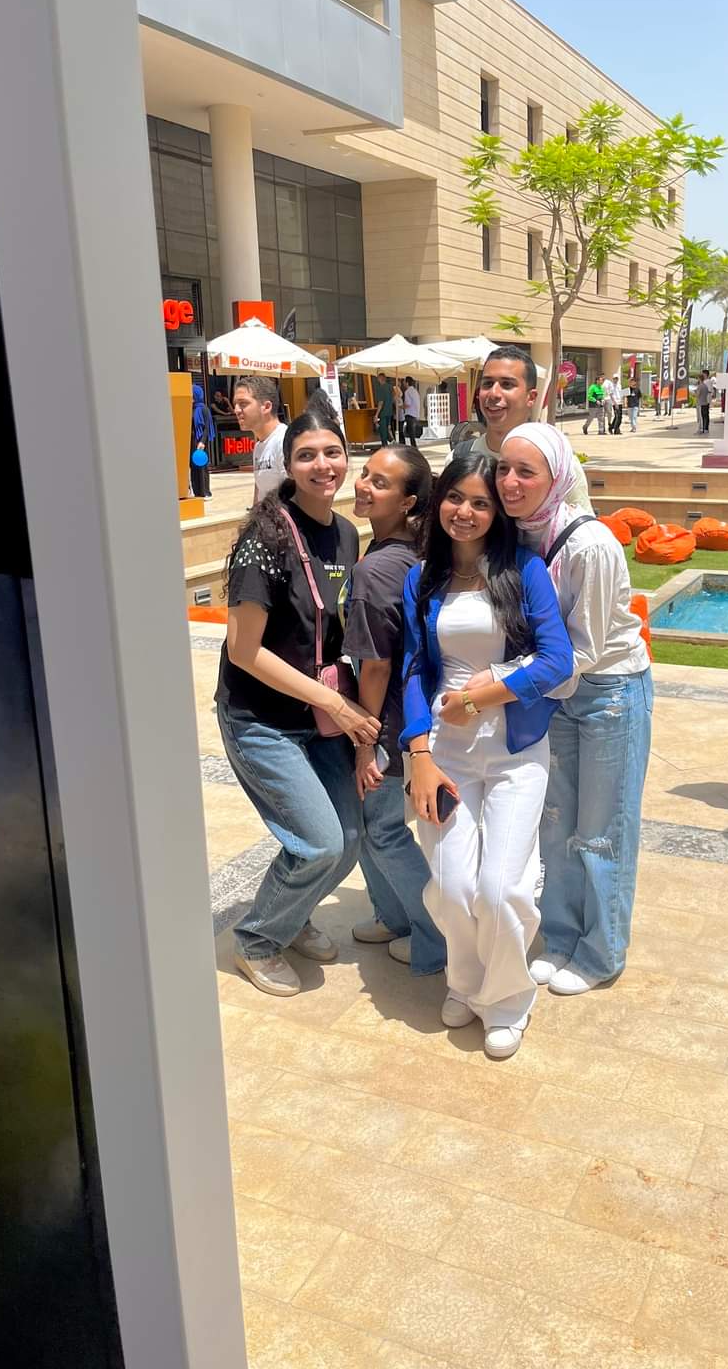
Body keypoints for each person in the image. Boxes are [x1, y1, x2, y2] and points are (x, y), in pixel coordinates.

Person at [402, 456, 573, 1058]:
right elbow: (414, 669)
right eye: (456, 498)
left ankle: (506, 1000)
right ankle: (467, 982)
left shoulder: (524, 570)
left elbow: (557, 661)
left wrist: (480, 697)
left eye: (481, 502)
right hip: (444, 754)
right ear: (439, 501)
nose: (466, 512)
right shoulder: (422, 578)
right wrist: (419, 754)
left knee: (500, 890)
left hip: (514, 754)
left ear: (498, 512)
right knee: (452, 887)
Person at [216, 403, 381, 997]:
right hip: (260, 718)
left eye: (333, 452)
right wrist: (336, 706)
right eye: (307, 455)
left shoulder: (345, 533)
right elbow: (244, 651)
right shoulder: (263, 540)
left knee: (350, 838)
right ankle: (257, 939)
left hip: (318, 714)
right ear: (288, 465)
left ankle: (293, 914)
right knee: (318, 842)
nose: (322, 465)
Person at [492, 423, 653, 994]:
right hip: (553, 694)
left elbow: (583, 648)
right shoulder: (518, 535)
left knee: (603, 829)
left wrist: (501, 683)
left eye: (526, 471)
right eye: (504, 469)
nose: (510, 482)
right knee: (556, 823)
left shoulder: (590, 544)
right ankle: (560, 937)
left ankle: (601, 951)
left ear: (556, 477)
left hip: (608, 692)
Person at [345, 446, 446, 976]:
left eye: (380, 483)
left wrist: (365, 742)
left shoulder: (377, 569)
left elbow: (377, 665)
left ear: (408, 502)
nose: (363, 484)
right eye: (365, 474)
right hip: (411, 712)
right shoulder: (406, 551)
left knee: (381, 828)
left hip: (385, 720)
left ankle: (435, 934)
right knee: (371, 825)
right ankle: (394, 915)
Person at [452, 345, 593, 513]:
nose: (494, 393)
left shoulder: (559, 464)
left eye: (507, 384)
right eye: (488, 384)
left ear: (531, 397)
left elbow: (583, 523)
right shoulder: (459, 457)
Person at [233, 375, 286, 504]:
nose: (236, 410)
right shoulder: (259, 446)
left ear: (266, 407)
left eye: (243, 404)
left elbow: (296, 495)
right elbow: (259, 491)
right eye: (235, 404)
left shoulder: (284, 441)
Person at [190, 383, 215, 498]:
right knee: (194, 467)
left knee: (202, 467)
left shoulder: (203, 409)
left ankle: (205, 492)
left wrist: (202, 441)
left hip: (200, 442)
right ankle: (197, 492)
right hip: (192, 441)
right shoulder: (191, 408)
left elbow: (207, 427)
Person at [374, 372, 395, 447]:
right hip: (389, 411)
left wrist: (376, 414)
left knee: (383, 431)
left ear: (380, 379)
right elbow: (394, 395)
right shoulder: (390, 387)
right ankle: (391, 441)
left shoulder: (381, 388)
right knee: (387, 429)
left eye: (378, 378)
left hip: (383, 412)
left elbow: (381, 402)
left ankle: (385, 446)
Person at [402, 376, 422, 448]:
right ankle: (414, 446)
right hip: (415, 413)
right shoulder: (415, 391)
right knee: (412, 432)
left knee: (411, 433)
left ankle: (414, 447)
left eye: (404, 381)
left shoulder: (407, 392)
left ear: (407, 383)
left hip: (409, 413)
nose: (403, 383)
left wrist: (400, 406)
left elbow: (408, 404)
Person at [392, 379, 405, 444]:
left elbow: (398, 406)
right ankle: (401, 442)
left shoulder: (396, 398)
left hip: (398, 417)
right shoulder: (398, 399)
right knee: (399, 430)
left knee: (399, 430)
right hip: (398, 417)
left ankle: (401, 442)